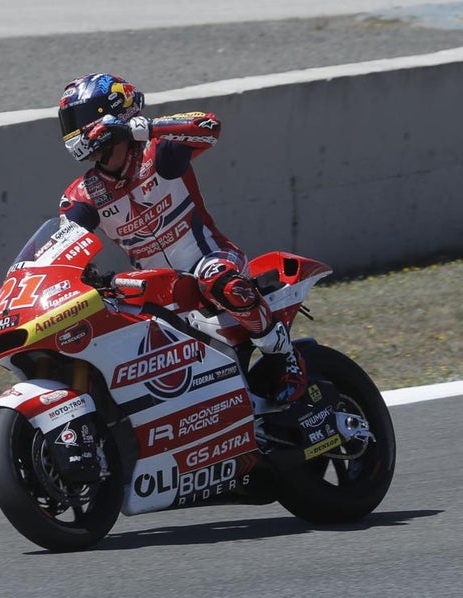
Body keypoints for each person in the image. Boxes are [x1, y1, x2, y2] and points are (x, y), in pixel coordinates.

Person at [55, 72, 307, 403]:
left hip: (213, 259)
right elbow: (61, 248)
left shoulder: (157, 151)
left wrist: (138, 128)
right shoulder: (83, 195)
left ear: (110, 111)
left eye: (80, 119)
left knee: (216, 277)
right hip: (160, 290)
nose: (75, 131)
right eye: (69, 122)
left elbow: (209, 126)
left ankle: (284, 355)